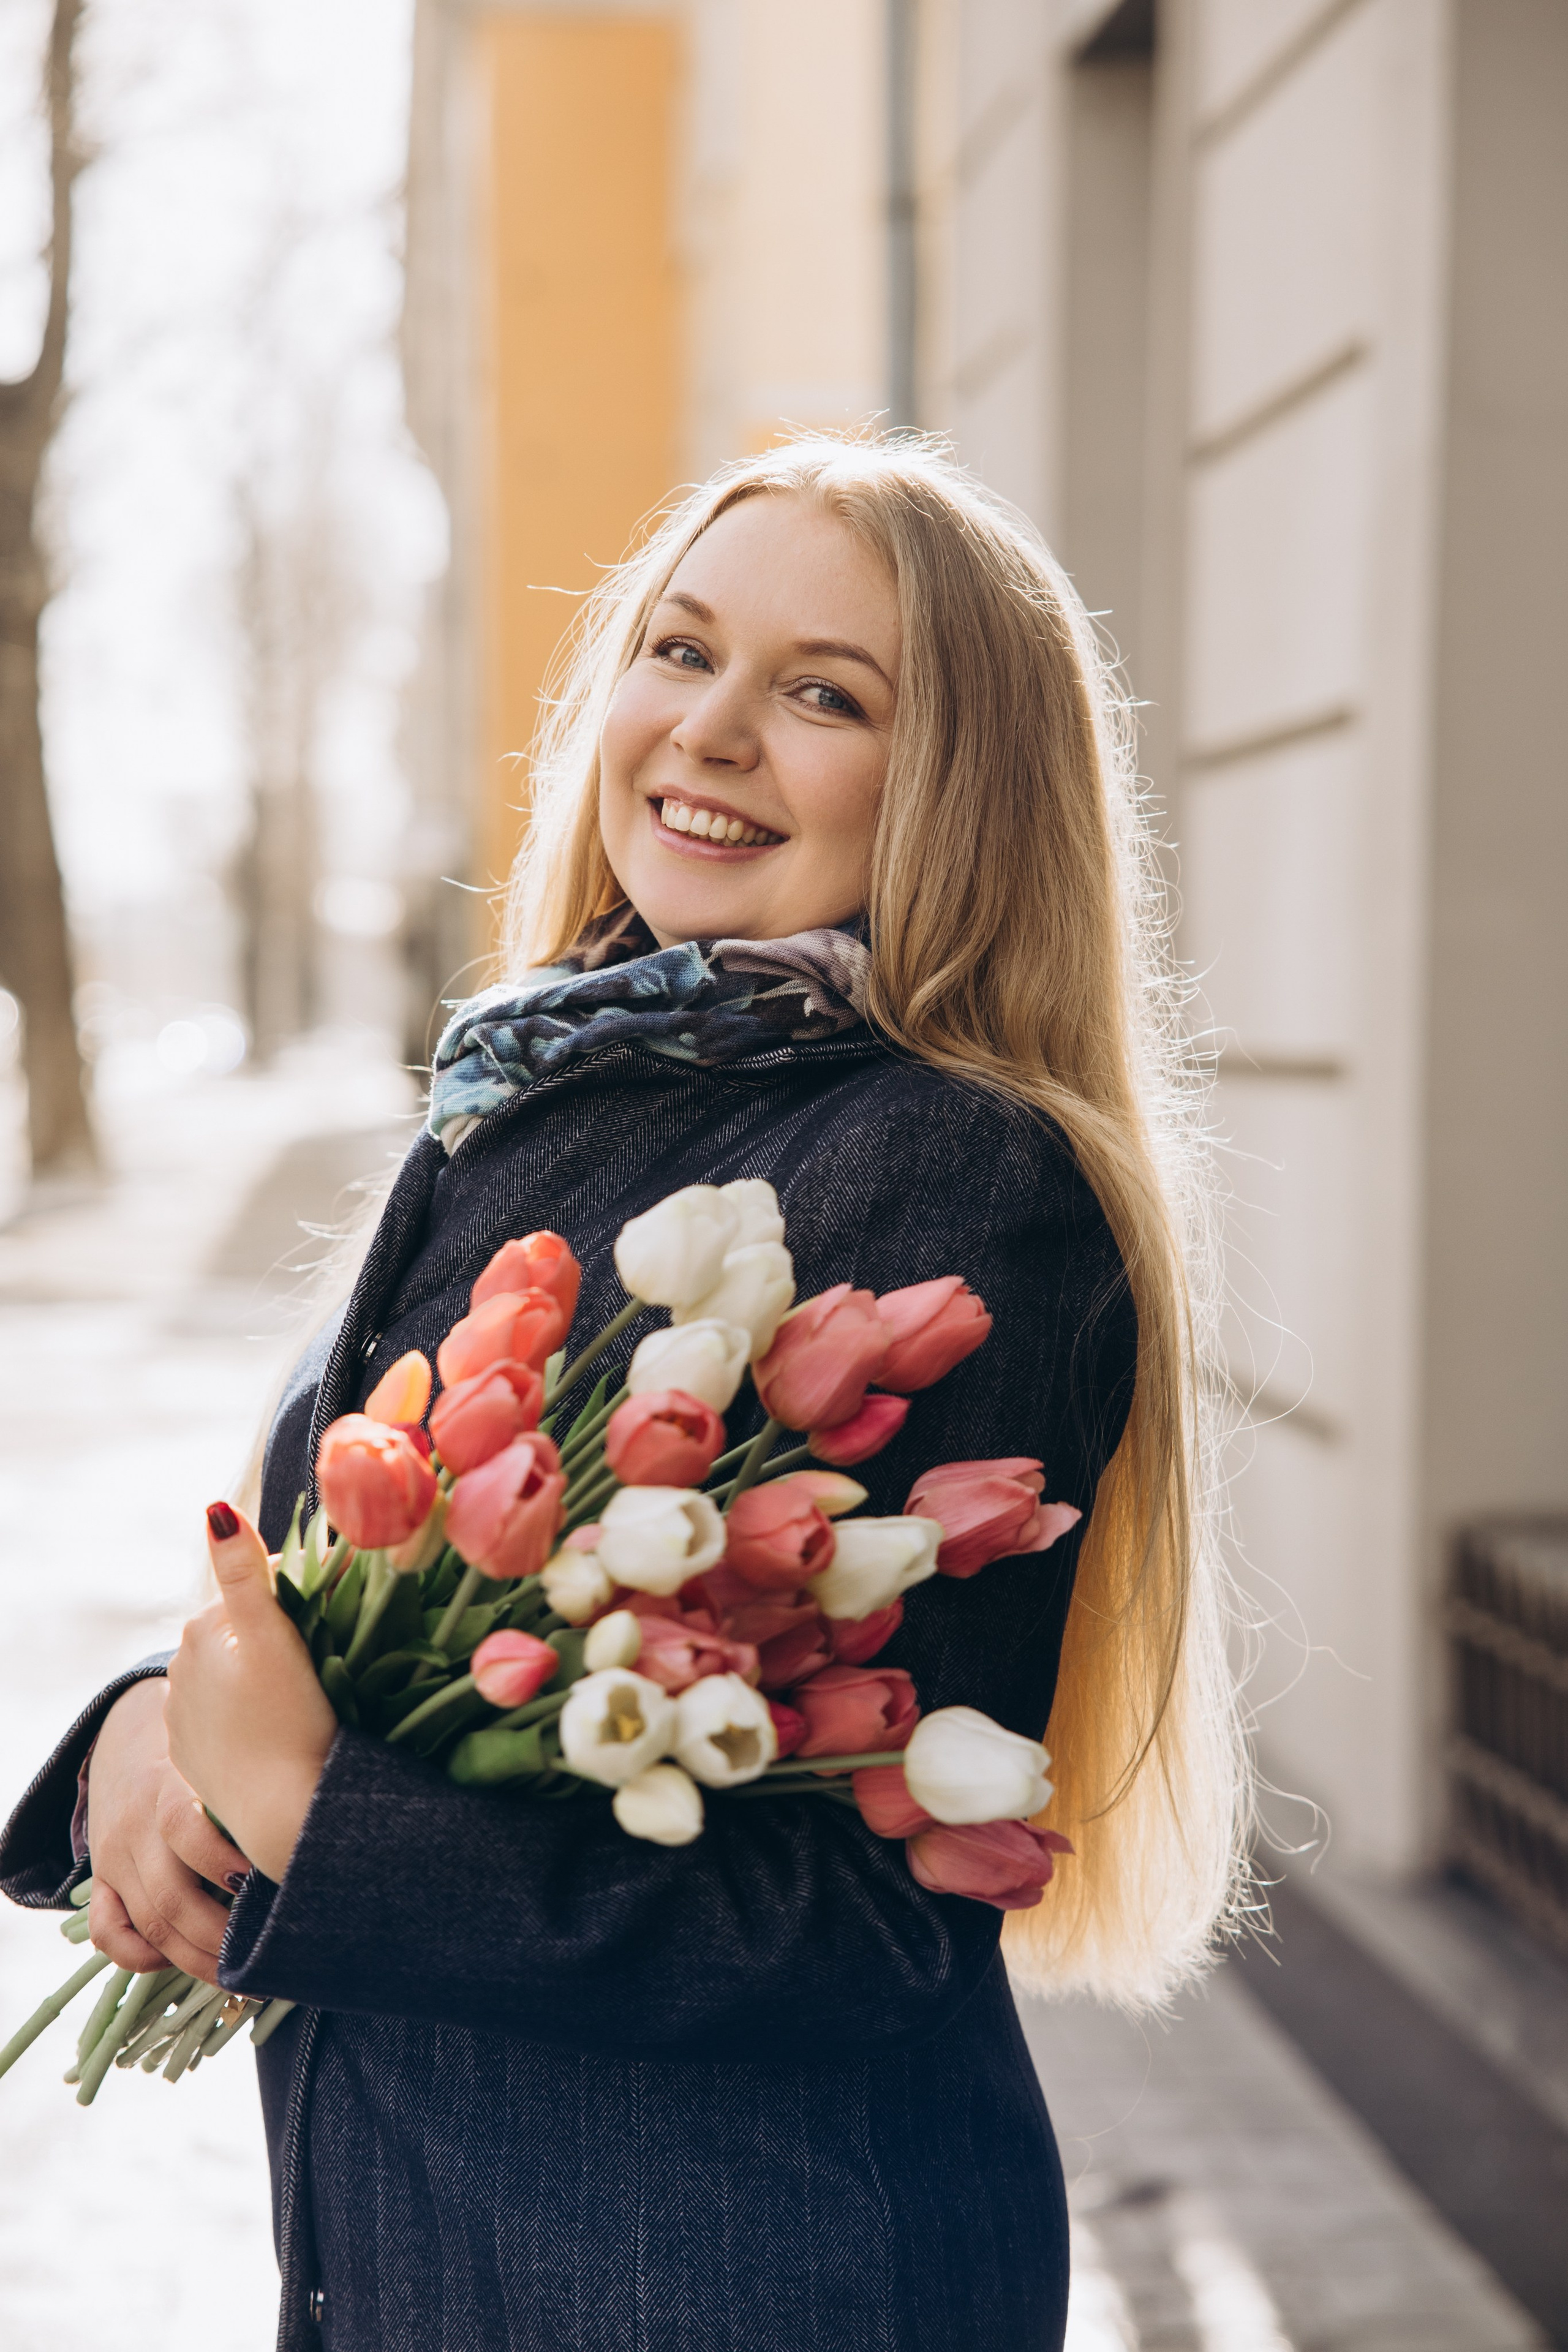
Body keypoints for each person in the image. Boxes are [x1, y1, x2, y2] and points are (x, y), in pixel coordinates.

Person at [1, 434, 1246, 2352]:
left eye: (824, 695)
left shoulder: (942, 1171)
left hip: (725, 2273)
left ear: (956, 798)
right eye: (681, 651)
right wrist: (151, 1746)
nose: (715, 729)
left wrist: (318, 1815)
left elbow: (850, 1919)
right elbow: (357, 1633)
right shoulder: (534, 1091)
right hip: (424, 2248)